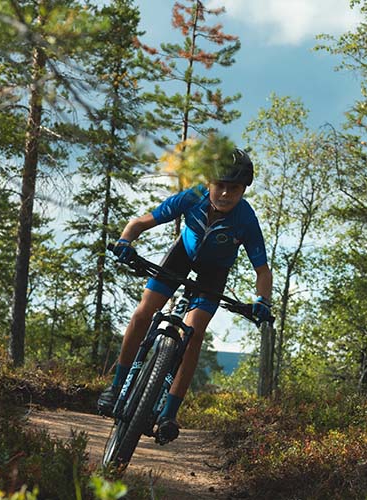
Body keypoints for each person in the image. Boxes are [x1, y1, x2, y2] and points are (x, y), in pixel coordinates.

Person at [97, 140, 274, 445]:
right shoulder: (192, 197)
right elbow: (140, 222)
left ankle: (168, 413)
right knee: (143, 313)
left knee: (194, 334)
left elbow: (262, 271)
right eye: (220, 185)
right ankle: (116, 386)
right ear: (209, 183)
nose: (225, 193)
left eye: (235, 188)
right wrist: (126, 242)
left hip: (213, 274)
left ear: (244, 189)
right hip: (180, 258)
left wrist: (262, 300)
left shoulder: (246, 219)